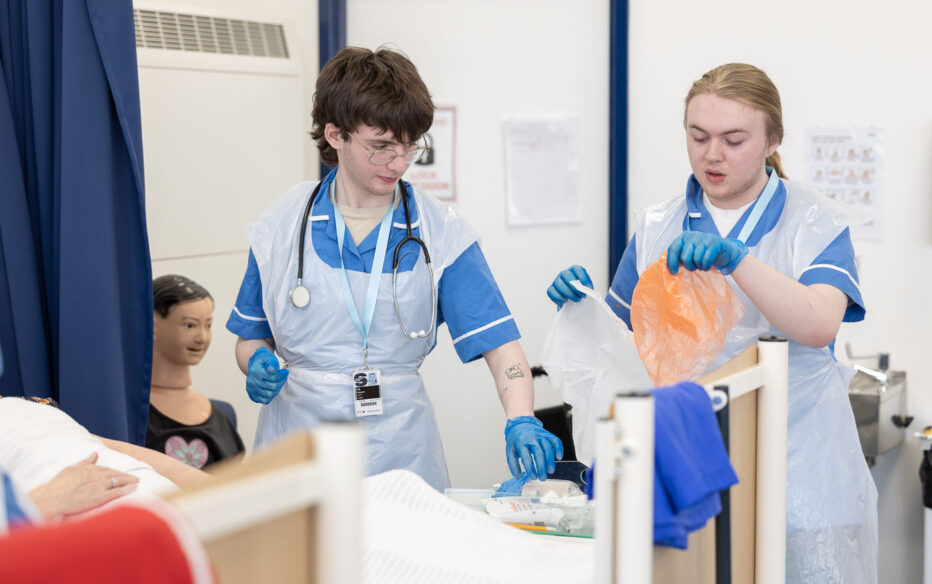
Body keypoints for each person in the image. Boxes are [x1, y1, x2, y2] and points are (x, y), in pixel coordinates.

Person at [547, 63, 876, 582]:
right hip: (690, 467)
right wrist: (580, 307)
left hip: (801, 465)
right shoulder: (657, 227)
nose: (712, 154)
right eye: (698, 137)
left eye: (733, 139)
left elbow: (819, 325)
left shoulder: (813, 221)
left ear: (772, 140)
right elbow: (622, 350)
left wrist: (735, 259)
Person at [226, 46, 561, 490]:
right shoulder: (282, 226)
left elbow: (502, 347)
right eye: (381, 146)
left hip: (400, 449)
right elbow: (251, 337)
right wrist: (256, 362)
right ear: (335, 134)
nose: (400, 164)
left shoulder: (440, 232)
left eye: (409, 146)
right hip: (297, 443)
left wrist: (521, 418)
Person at [148, 275, 244, 469]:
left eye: (208, 325)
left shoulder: (221, 416)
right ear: (153, 325)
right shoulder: (134, 416)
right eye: (190, 325)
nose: (202, 338)